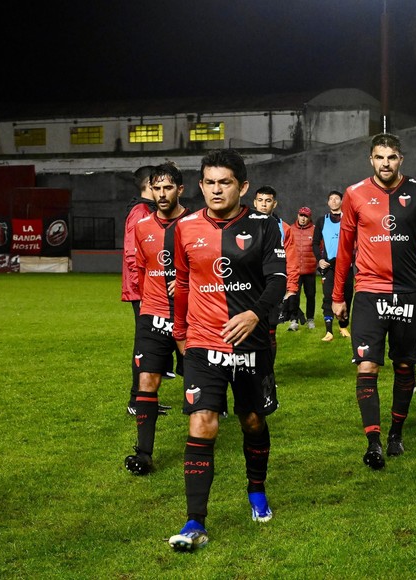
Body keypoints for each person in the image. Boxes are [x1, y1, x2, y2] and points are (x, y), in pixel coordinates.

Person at [168, 149, 287, 552]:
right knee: (202, 423)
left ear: (243, 186)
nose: (217, 189)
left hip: (252, 342)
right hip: (203, 342)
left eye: (226, 182)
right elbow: (181, 285)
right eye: (210, 182)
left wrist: (255, 314)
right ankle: (194, 521)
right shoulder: (183, 228)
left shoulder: (265, 226)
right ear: (200, 185)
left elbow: (277, 281)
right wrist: (181, 337)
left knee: (252, 420)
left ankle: (256, 491)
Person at [331, 133, 416, 470]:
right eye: (380, 157)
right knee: (368, 366)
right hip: (368, 292)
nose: (385, 163)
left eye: (392, 157)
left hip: (409, 292)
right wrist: (338, 296)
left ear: (400, 160)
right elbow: (345, 248)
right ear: (371, 159)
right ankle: (374, 442)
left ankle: (396, 432)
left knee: (405, 366)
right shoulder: (354, 194)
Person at [124, 162, 188, 475]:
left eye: (167, 188)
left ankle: (204, 433)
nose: (161, 194)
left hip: (191, 318)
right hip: (152, 314)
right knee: (147, 382)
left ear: (180, 190)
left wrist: (189, 284)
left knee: (199, 383)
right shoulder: (142, 227)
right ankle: (144, 453)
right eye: (157, 188)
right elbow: (140, 269)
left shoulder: (195, 223)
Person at [123, 165, 174, 417]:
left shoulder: (145, 210)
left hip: (146, 290)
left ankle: (146, 399)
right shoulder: (141, 212)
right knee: (143, 347)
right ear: (148, 186)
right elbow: (134, 256)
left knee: (151, 345)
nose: (163, 192)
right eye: (158, 186)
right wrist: (144, 292)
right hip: (142, 292)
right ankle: (136, 400)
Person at [252, 185, 299, 361]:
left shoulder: (285, 229)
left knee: (270, 332)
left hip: (272, 287)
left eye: (268, 201)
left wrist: (291, 290)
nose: (264, 205)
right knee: (247, 330)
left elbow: (292, 261)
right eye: (260, 200)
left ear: (275, 204)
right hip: (247, 286)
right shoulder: (244, 225)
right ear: (254, 202)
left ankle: (268, 374)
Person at [313, 190, 354, 341]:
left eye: (337, 198)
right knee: (328, 297)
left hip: (346, 265)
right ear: (328, 202)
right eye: (331, 199)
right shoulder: (322, 220)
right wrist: (319, 259)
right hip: (329, 265)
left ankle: (343, 326)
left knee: (348, 296)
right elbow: (315, 243)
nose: (334, 201)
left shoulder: (349, 219)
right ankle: (329, 331)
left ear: (342, 201)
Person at [287, 206, 317, 331]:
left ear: (309, 218)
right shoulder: (290, 229)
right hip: (295, 271)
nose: (303, 218)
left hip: (310, 270)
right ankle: (294, 320)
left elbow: (319, 247)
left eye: (305, 216)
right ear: (297, 216)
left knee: (310, 295)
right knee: (294, 295)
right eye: (301, 215)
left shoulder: (315, 230)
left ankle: (310, 319)